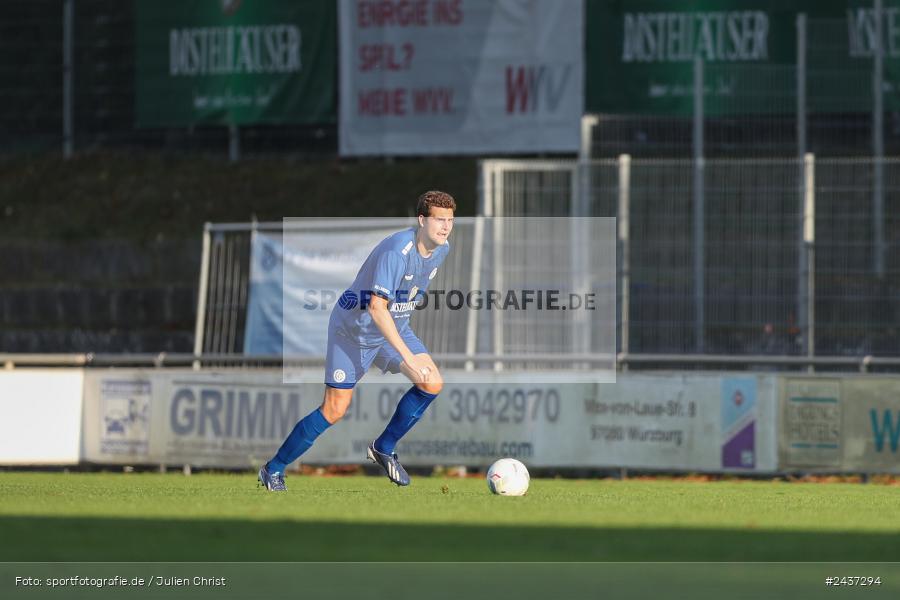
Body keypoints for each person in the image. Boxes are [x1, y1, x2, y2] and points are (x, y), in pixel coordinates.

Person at [258, 191, 455, 491]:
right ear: (421, 220)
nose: (445, 227)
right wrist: (409, 359)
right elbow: (376, 307)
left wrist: (406, 350)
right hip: (353, 332)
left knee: (432, 383)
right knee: (334, 410)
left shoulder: (442, 249)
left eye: (450, 220)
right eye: (439, 220)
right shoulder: (396, 251)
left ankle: (383, 447)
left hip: (394, 328)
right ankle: (273, 470)